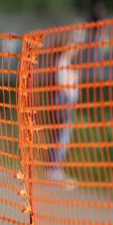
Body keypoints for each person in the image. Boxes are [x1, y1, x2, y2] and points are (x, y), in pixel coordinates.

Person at [47, 41, 81, 189]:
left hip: (65, 103)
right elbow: (62, 83)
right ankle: (54, 169)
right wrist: (73, 77)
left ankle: (54, 168)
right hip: (64, 102)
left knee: (60, 137)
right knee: (62, 137)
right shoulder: (62, 63)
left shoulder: (64, 63)